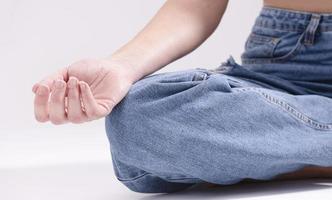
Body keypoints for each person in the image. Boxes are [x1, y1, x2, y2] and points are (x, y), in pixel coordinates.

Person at [32, 0, 332, 193]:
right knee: (137, 117)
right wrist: (120, 67)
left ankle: (273, 155)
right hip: (281, 71)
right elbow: (192, 8)